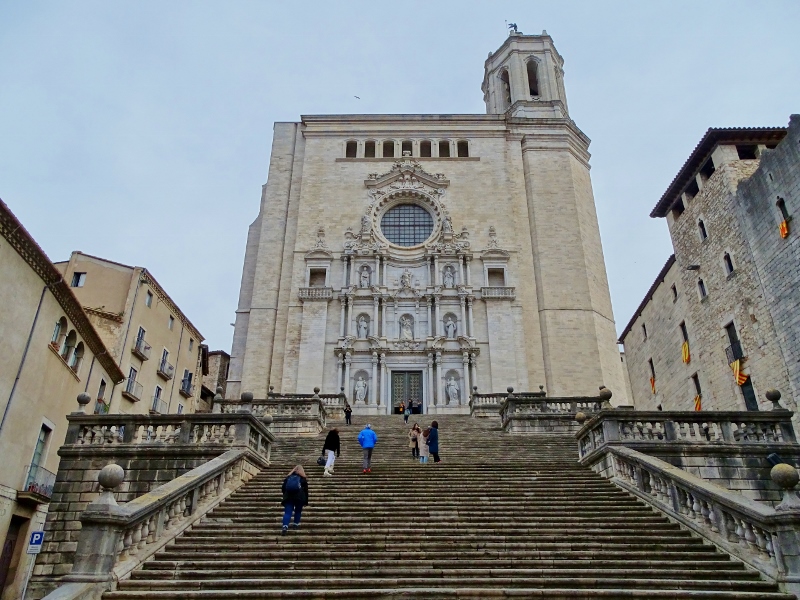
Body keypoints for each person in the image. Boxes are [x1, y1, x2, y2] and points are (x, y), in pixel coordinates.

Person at [281, 465, 309, 535]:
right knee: (298, 511)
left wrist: (285, 495)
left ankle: (285, 526)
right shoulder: (303, 478)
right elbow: (306, 490)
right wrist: (306, 500)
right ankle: (295, 525)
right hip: (300, 497)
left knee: (287, 512)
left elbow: (283, 488)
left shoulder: (288, 477)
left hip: (288, 496)